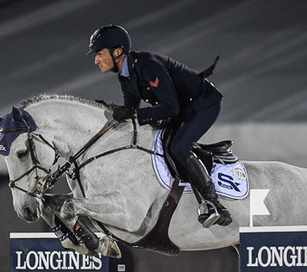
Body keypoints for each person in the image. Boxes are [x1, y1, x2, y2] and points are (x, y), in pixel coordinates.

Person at [88, 24, 232, 227]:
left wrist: (133, 113)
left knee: (178, 147)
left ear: (118, 51)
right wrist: (112, 114)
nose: (96, 60)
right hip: (183, 106)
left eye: (100, 54)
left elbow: (170, 108)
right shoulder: (124, 75)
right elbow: (131, 112)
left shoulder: (148, 65)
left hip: (204, 103)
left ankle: (214, 204)